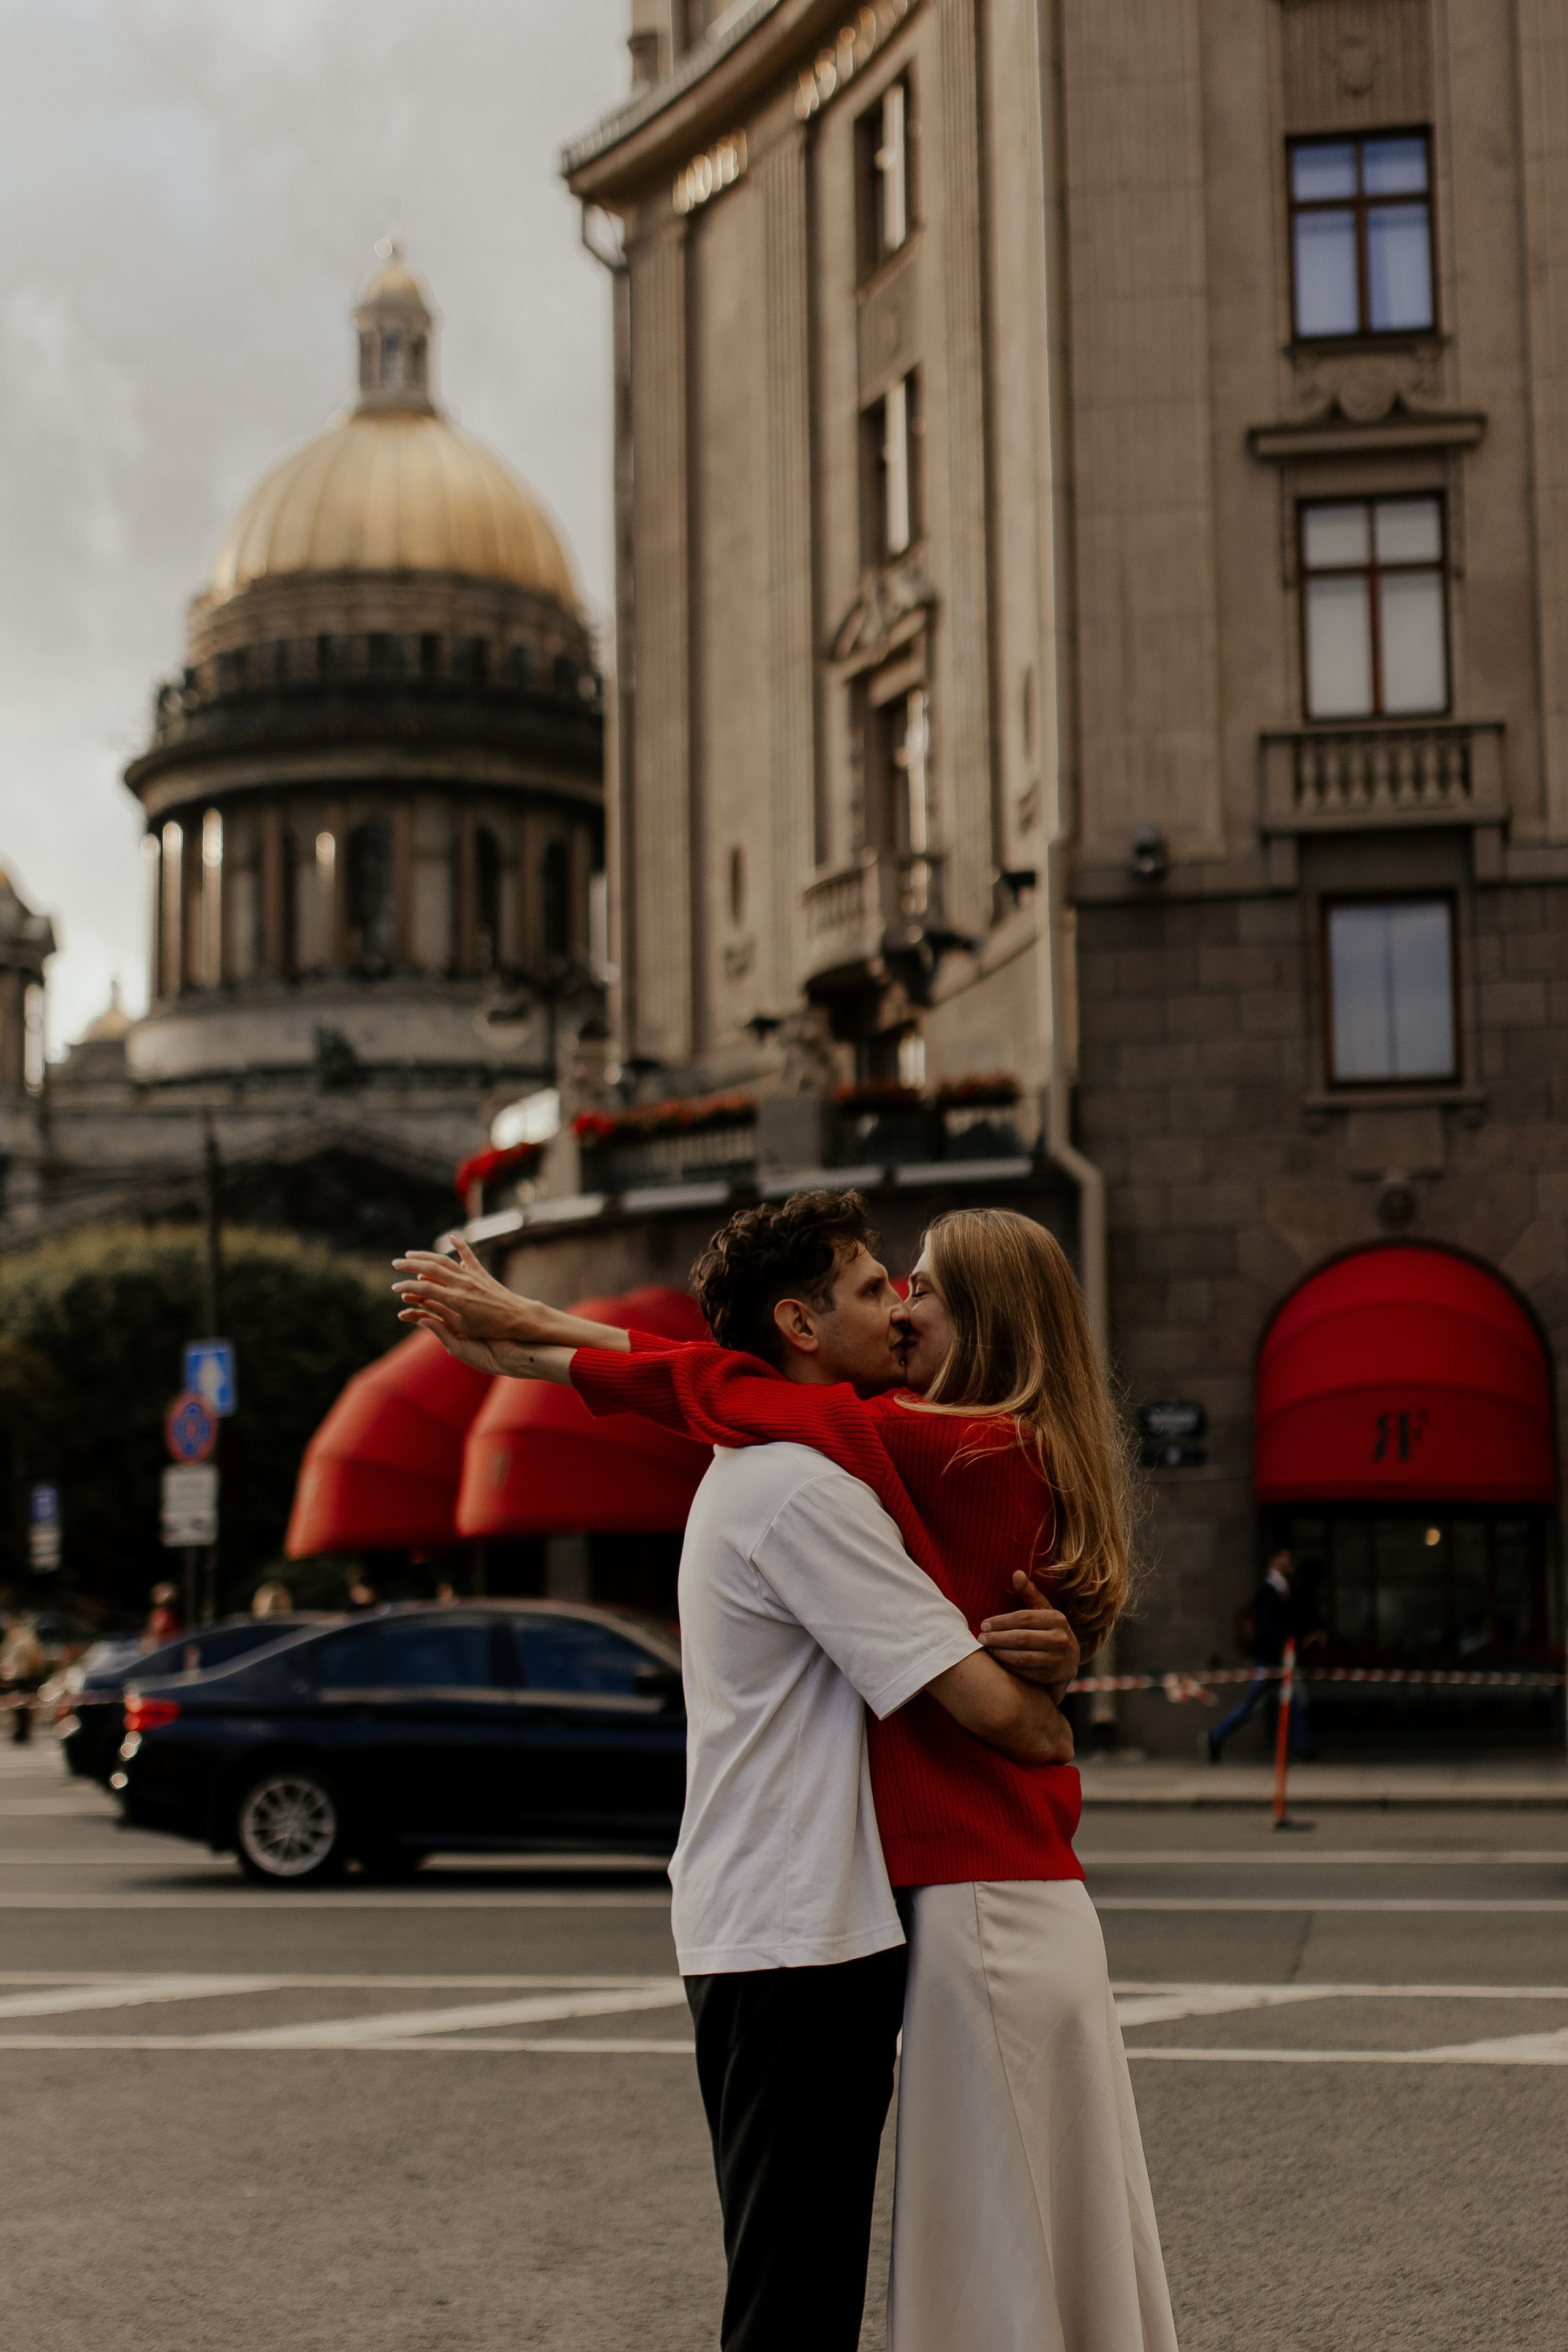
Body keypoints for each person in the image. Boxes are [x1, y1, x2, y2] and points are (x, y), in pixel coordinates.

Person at [395, 1196, 1178, 2352]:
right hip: (892, 1910)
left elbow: (717, 1385)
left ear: (988, 1324)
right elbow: (727, 1384)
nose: (902, 1305)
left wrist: (537, 1336)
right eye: (883, 1285)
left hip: (958, 1896)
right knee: (929, 2264)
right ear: (804, 1324)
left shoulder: (929, 1447)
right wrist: (1049, 1708)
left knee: (935, 2261)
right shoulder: (868, 1466)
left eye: (918, 1288)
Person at [1207, 1548, 1311, 1763]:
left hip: (1281, 1658)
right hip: (1271, 1659)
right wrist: (1283, 1647)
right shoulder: (1269, 1591)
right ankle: (1216, 1737)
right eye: (1284, 1559)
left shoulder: (1284, 1589)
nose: (1289, 1563)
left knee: (1297, 1701)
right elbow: (1266, 1627)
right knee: (1253, 1705)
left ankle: (1302, 1748)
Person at [141, 1582, 180, 1650]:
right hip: (163, 1649)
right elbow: (154, 1633)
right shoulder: (160, 1615)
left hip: (171, 1647)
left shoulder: (169, 1614)